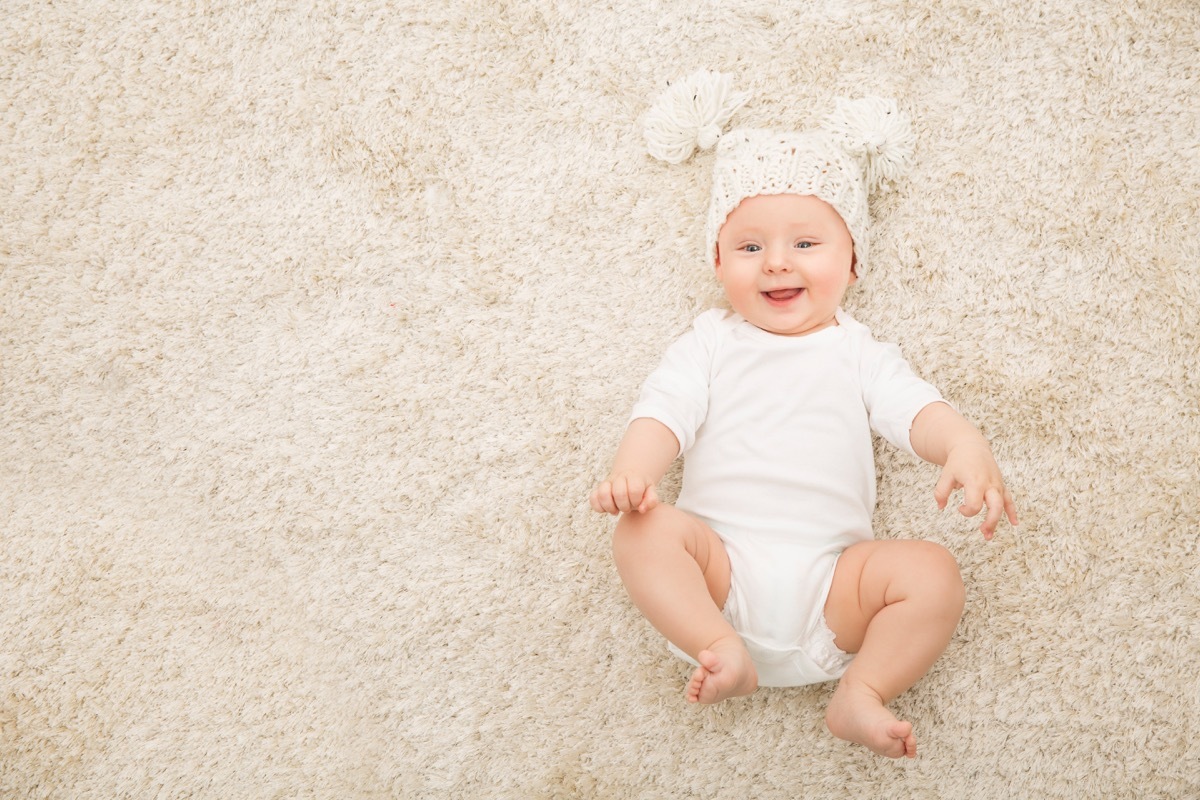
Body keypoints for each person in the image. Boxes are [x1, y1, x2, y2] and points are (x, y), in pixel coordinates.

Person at [589, 72, 1018, 759]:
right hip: (716, 575)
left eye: (807, 244)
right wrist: (631, 475)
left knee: (934, 574)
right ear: (718, 260)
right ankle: (719, 647)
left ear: (853, 262)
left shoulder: (857, 351)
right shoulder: (711, 341)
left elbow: (915, 410)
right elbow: (662, 411)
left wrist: (961, 443)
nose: (776, 264)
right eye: (750, 247)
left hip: (833, 592)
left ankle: (863, 690)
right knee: (641, 531)